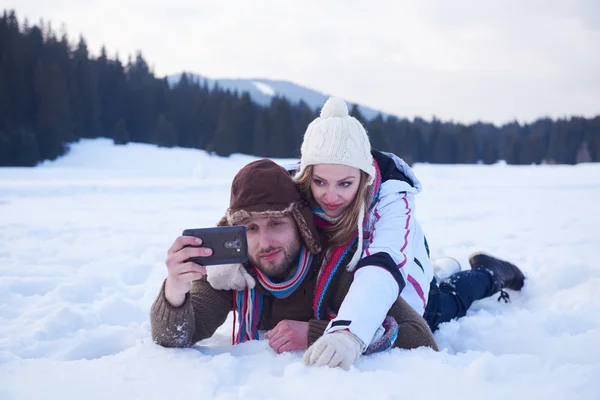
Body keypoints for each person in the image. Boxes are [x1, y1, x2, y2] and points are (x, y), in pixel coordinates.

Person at [150, 159, 438, 370]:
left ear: (300, 224)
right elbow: (174, 337)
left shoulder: (336, 267)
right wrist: (175, 290)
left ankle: (482, 275)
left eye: (276, 224)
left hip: (404, 273)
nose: (265, 242)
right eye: (250, 228)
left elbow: (419, 335)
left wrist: (319, 332)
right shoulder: (232, 272)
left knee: (444, 303)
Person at [289, 96, 526, 344]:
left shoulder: (391, 198)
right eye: (320, 182)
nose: (331, 196)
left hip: (401, 288)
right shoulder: (296, 191)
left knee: (450, 301)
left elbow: (383, 264)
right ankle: (441, 270)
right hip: (351, 286)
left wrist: (345, 333)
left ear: (364, 177)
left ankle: (490, 272)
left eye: (345, 184)